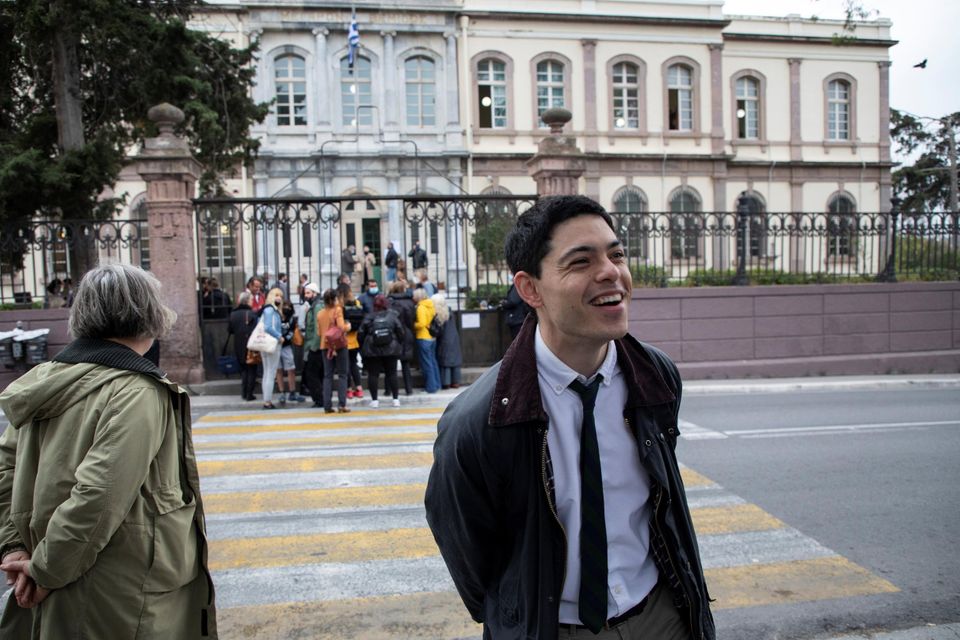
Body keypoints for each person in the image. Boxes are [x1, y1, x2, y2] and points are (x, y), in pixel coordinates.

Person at [424, 195, 715, 640]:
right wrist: (518, 616)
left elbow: (662, 504)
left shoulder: (655, 375)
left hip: (662, 615)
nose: (610, 272)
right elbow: (468, 553)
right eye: (581, 261)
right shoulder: (480, 419)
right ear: (530, 289)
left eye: (616, 255)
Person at [0, 264, 217, 638]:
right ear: (148, 315)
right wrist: (46, 570)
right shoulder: (136, 392)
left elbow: (6, 469)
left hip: (58, 573)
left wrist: (15, 548)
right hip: (118, 594)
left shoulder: (47, 380)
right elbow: (98, 497)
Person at [357, 294, 405, 408]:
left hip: (373, 350)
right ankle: (395, 399)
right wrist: (397, 342)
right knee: (392, 374)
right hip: (391, 349)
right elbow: (400, 331)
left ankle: (375, 400)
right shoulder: (392, 316)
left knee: (373, 374)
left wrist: (363, 345)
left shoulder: (369, 316)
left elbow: (361, 333)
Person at [316, 288, 350, 414]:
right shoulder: (337, 310)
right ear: (334, 299)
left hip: (325, 345)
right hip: (339, 345)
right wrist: (348, 326)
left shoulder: (320, 313)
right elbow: (341, 327)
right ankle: (342, 404)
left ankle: (327, 405)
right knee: (342, 374)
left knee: (327, 375)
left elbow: (319, 332)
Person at [228, 291, 259, 401]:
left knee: (244, 369)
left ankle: (244, 392)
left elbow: (230, 330)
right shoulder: (252, 314)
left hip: (238, 344)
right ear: (247, 301)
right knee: (252, 369)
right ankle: (249, 394)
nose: (252, 302)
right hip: (250, 344)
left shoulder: (233, 314)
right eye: (251, 300)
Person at [257, 288, 285, 409]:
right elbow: (268, 327)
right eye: (276, 295)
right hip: (272, 344)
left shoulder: (267, 309)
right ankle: (267, 401)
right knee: (270, 373)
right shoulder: (270, 310)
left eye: (281, 296)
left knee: (267, 372)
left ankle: (266, 399)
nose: (279, 298)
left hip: (265, 344)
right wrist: (279, 336)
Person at [387, 280, 416, 396]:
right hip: (407, 333)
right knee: (405, 364)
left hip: (393, 333)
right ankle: (409, 389)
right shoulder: (409, 302)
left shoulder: (390, 301)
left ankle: (389, 390)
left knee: (390, 364)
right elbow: (412, 319)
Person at [275, 299, 305, 404]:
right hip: (275, 346)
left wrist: (285, 339)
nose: (287, 309)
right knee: (278, 370)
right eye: (285, 306)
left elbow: (292, 332)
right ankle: (282, 392)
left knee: (291, 369)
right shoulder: (276, 317)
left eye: (289, 307)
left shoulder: (291, 319)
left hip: (286, 346)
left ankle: (292, 392)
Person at [338, 283, 365, 400]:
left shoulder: (340, 306)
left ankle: (348, 390)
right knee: (354, 364)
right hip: (355, 339)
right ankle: (359, 389)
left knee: (346, 366)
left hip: (344, 339)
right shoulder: (357, 303)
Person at [431, 293, 462, 390]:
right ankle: (456, 381)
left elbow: (437, 330)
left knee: (445, 360)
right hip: (454, 337)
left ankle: (446, 382)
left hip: (444, 339)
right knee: (454, 359)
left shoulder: (438, 313)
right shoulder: (449, 311)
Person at [412, 288, 440, 393]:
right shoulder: (430, 305)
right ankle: (437, 384)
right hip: (432, 337)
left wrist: (413, 325)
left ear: (418, 297)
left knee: (426, 364)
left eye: (414, 296)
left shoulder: (421, 307)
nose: (413, 297)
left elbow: (422, 323)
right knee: (433, 362)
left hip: (423, 337)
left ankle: (430, 387)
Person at [301, 282, 324, 408]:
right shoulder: (314, 305)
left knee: (312, 374)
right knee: (317, 373)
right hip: (316, 345)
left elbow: (317, 328)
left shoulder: (317, 306)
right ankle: (321, 398)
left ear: (315, 293)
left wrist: (314, 347)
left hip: (316, 347)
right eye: (305, 293)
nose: (306, 296)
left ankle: (319, 399)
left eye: (308, 293)